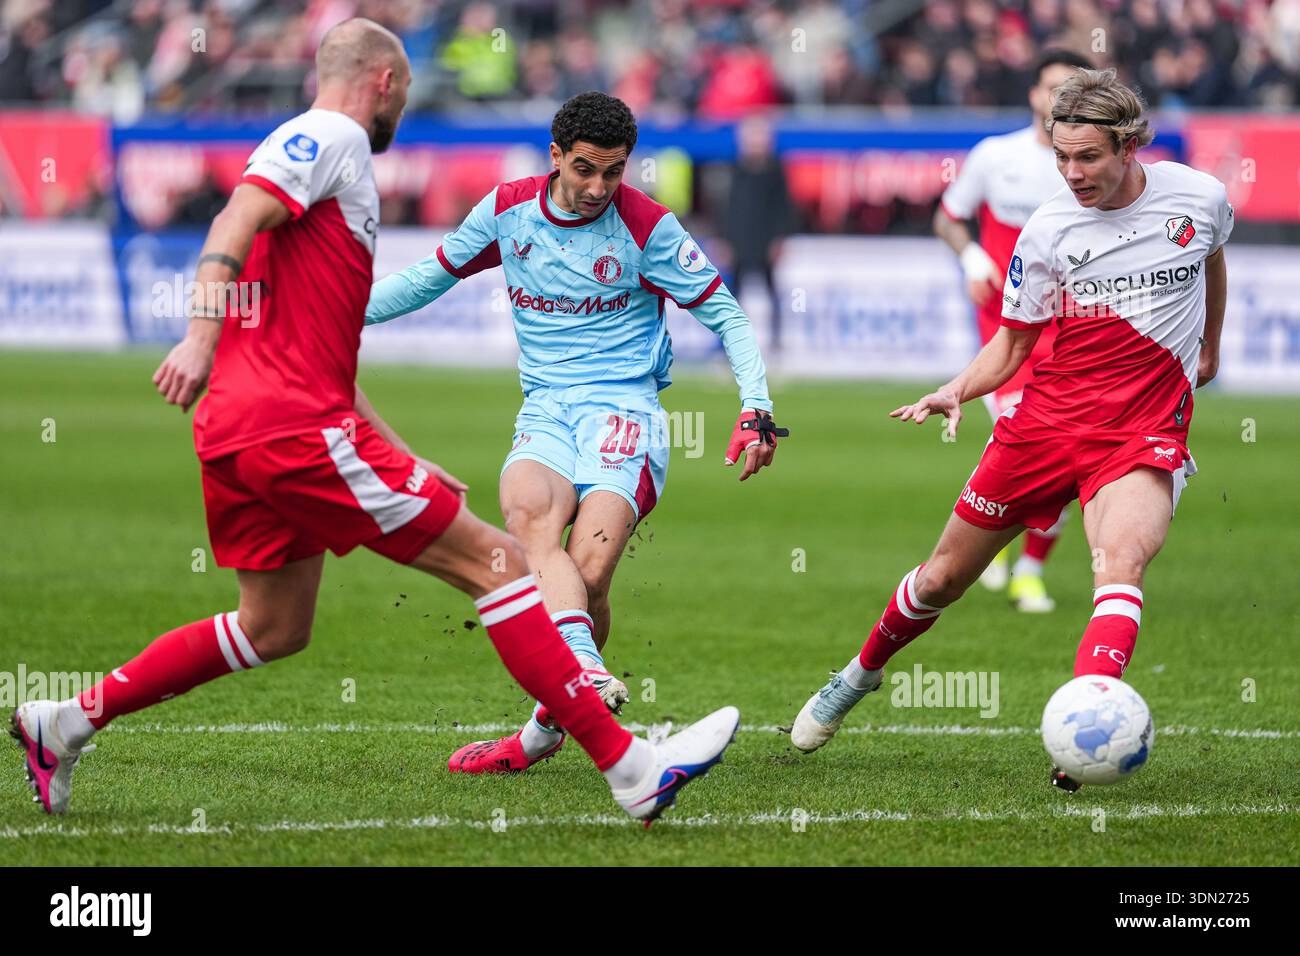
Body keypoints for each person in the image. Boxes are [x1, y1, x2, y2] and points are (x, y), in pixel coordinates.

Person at [11, 20, 739, 824]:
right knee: (501, 562)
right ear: (385, 82)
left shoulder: (320, 178)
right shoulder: (332, 138)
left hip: (236, 428)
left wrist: (395, 449)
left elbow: (317, 339)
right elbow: (233, 221)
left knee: (273, 625)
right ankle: (633, 770)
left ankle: (62, 722)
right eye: (406, 90)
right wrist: (198, 334)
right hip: (293, 427)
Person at [792, 68, 1231, 790]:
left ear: (1129, 146)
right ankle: (857, 675)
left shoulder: (1199, 197)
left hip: (1143, 431)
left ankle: (1084, 739)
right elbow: (1015, 344)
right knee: (941, 578)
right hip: (1047, 425)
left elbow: (1212, 257)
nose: (1071, 173)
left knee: (1119, 565)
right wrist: (955, 388)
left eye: (1087, 157)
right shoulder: (1049, 228)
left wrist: (1211, 344)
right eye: (1061, 157)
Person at [365, 91, 786, 774]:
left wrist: (755, 406)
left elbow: (731, 318)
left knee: (588, 575)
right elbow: (423, 279)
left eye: (614, 172)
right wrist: (333, 315)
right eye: (585, 169)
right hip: (547, 411)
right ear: (555, 156)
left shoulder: (647, 227)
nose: (597, 188)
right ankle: (587, 674)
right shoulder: (508, 212)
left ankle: (543, 729)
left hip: (628, 415)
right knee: (531, 524)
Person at [934, 49, 1092, 612]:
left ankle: (1026, 566)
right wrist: (972, 255)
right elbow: (947, 215)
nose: (1060, 100)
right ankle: (1003, 548)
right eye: (1052, 88)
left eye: (1071, 91)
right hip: (1010, 330)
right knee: (1028, 435)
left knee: (1072, 453)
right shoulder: (995, 156)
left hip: (1076, 330)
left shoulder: (1096, 165)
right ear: (1033, 94)